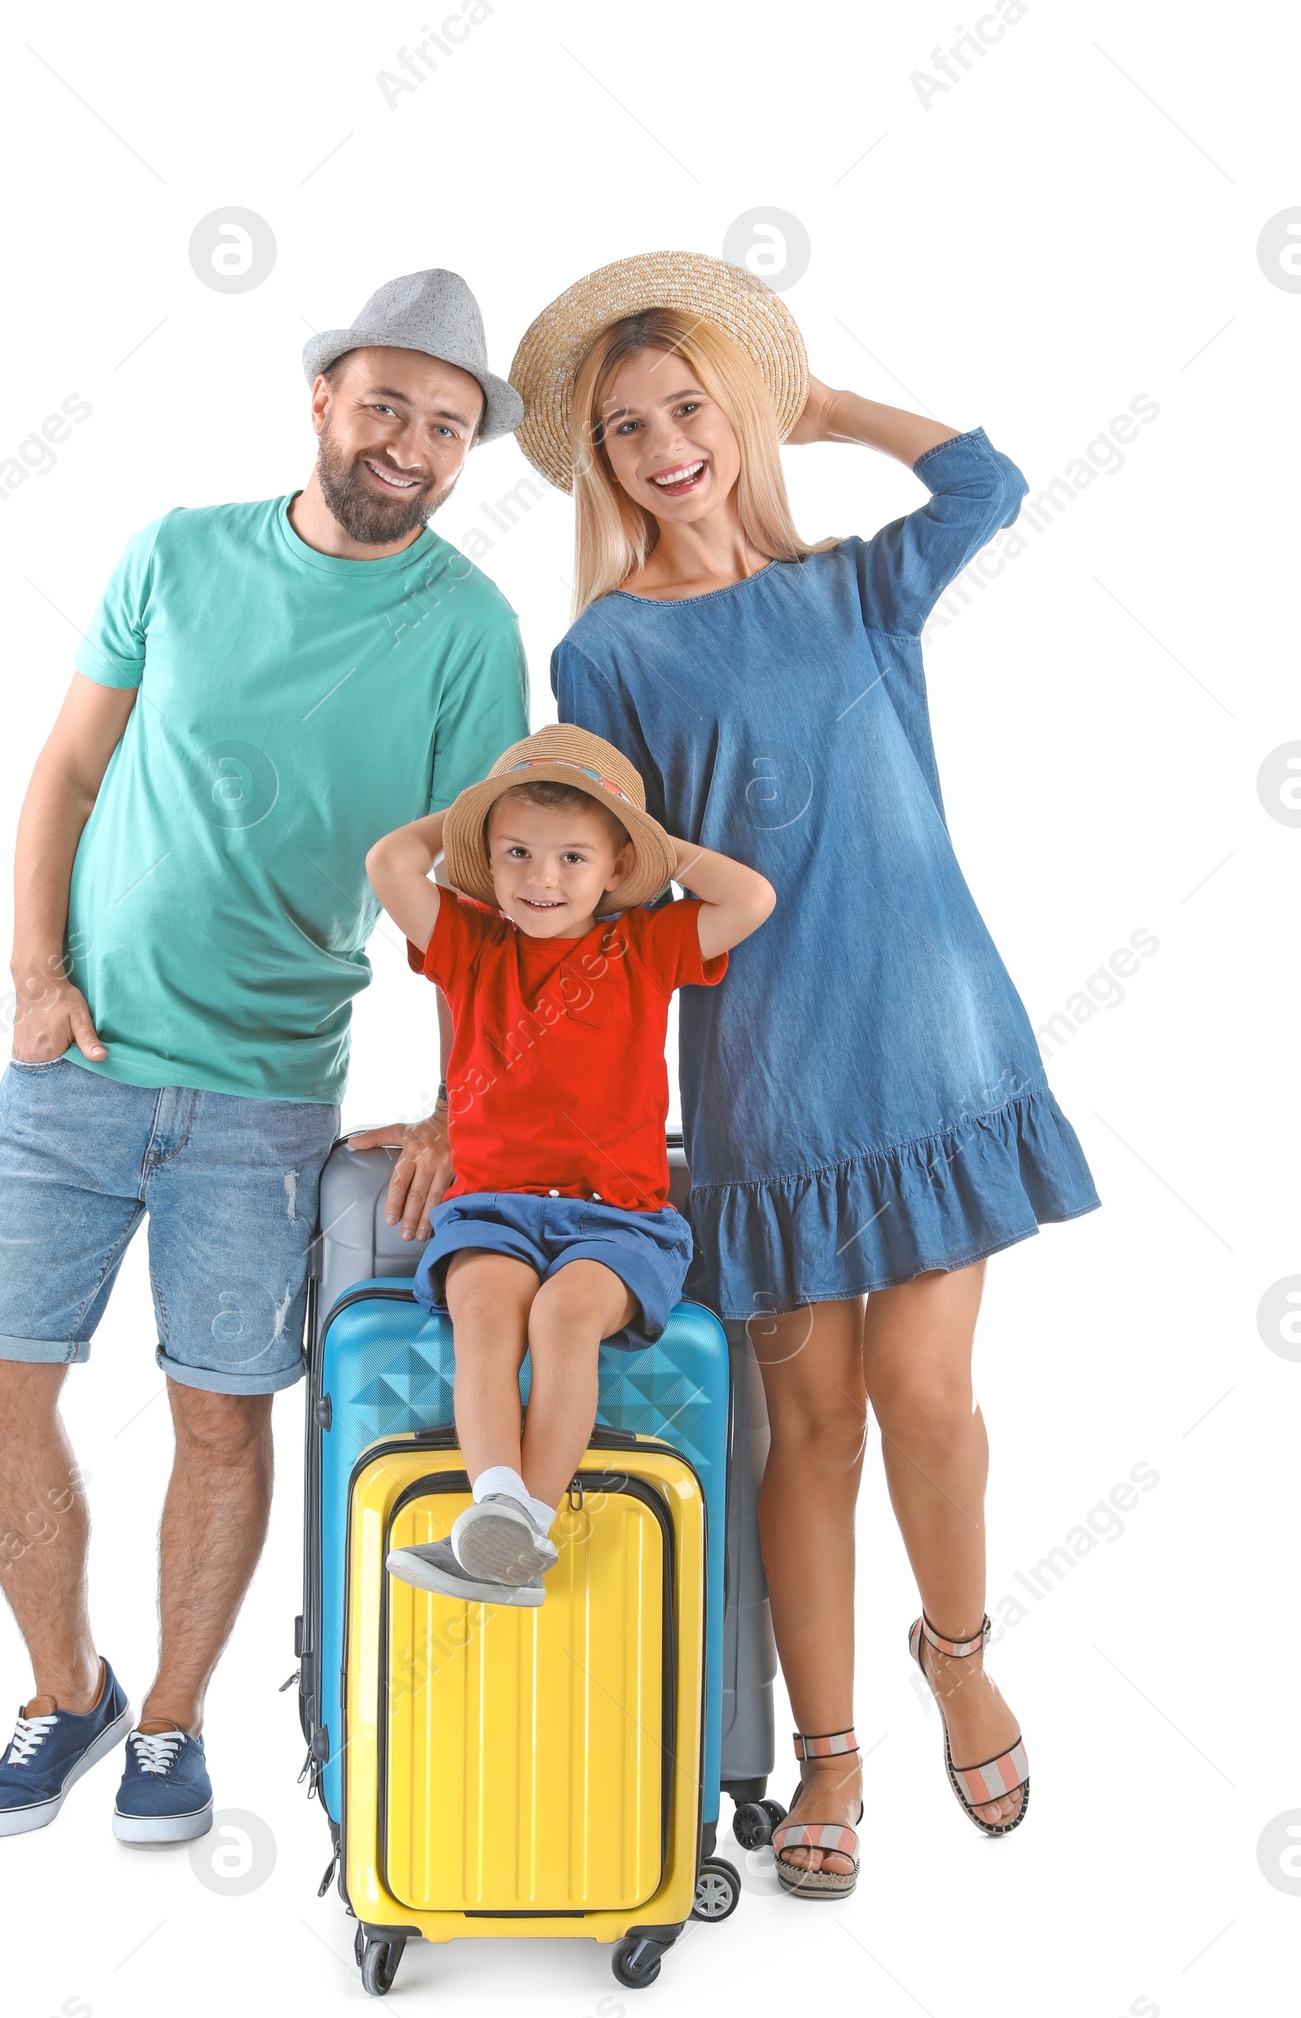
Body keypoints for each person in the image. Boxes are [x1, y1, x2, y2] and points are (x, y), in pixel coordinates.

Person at [509, 253, 1099, 1893]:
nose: (663, 446)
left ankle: (960, 1650)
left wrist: (819, 405)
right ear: (603, 465)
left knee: (926, 1396)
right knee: (810, 1426)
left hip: (931, 1042)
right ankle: (829, 1766)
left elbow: (989, 479)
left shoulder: (855, 587)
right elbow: (594, 898)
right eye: (626, 429)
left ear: (735, 415)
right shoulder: (607, 656)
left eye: (688, 406)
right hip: (768, 1068)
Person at [0, 269, 528, 1842]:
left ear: (470, 452)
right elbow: (69, 768)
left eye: (449, 425)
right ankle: (67, 1692)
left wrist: (466, 1103)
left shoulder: (468, 627)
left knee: (220, 1409)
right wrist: (32, 976)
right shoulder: (179, 551)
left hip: (270, 1094)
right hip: (77, 1062)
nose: (411, 442)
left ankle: (174, 1724)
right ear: (326, 400)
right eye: (388, 404)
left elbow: (480, 892)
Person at [366, 723, 775, 1606]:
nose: (540, 879)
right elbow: (391, 864)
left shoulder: (646, 946)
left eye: (572, 858)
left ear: (618, 865)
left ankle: (521, 1535)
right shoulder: (473, 943)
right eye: (514, 853)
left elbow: (750, 899)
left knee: (562, 1317)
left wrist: (655, 847)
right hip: (496, 1209)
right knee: (482, 1312)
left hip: (619, 1219)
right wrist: (469, 823)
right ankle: (499, 1510)